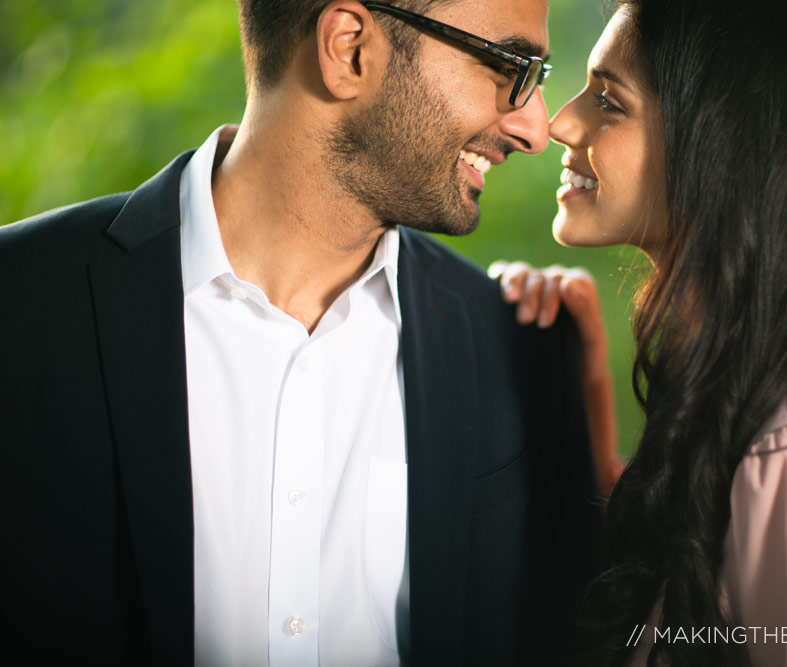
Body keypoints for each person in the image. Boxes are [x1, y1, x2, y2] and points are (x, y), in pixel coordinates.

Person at [0, 1, 603, 665]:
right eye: (512, 68)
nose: (536, 129)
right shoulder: (20, 303)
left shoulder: (523, 350)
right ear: (348, 48)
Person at [493, 0, 787, 665]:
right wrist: (589, 385)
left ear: (725, 143)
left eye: (609, 101)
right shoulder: (745, 388)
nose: (559, 123)